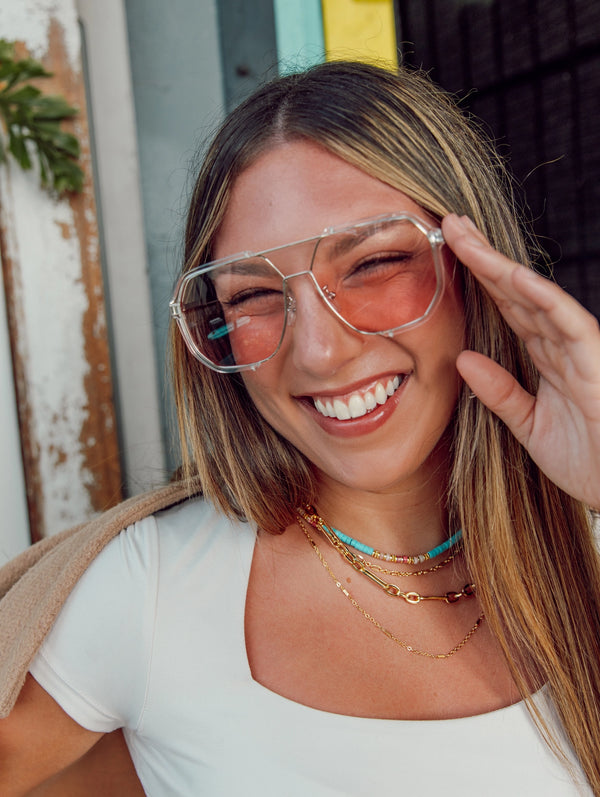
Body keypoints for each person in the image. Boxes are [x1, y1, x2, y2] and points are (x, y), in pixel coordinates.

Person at [1, 60, 600, 795]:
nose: (318, 350)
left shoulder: (587, 541)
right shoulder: (151, 590)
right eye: (252, 295)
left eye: (375, 262)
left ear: (478, 268)